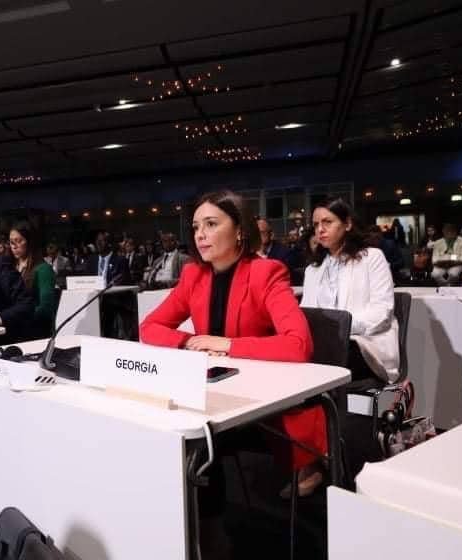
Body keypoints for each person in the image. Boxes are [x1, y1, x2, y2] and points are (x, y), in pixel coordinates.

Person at [141, 190, 322, 545]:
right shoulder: (194, 275)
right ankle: (179, 528)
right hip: (214, 388)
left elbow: (299, 344)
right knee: (165, 424)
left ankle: (210, 533)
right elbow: (150, 327)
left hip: (263, 399)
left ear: (239, 229)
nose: (200, 235)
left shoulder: (266, 272)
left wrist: (226, 344)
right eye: (196, 227)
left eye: (211, 224)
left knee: (198, 439)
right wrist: (189, 342)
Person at [301, 197, 400, 384]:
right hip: (325, 345)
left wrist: (341, 327)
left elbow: (382, 313)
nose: (320, 229)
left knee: (322, 361)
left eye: (327, 222)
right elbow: (307, 315)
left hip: (365, 344)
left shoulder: (372, 258)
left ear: (347, 224)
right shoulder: (313, 269)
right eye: (316, 224)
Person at [9, 221, 57, 339]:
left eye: (19, 241)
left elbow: (46, 308)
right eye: (11, 242)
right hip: (12, 331)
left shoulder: (43, 269)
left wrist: (15, 316)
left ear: (30, 242)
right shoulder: (10, 267)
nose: (14, 246)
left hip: (34, 332)